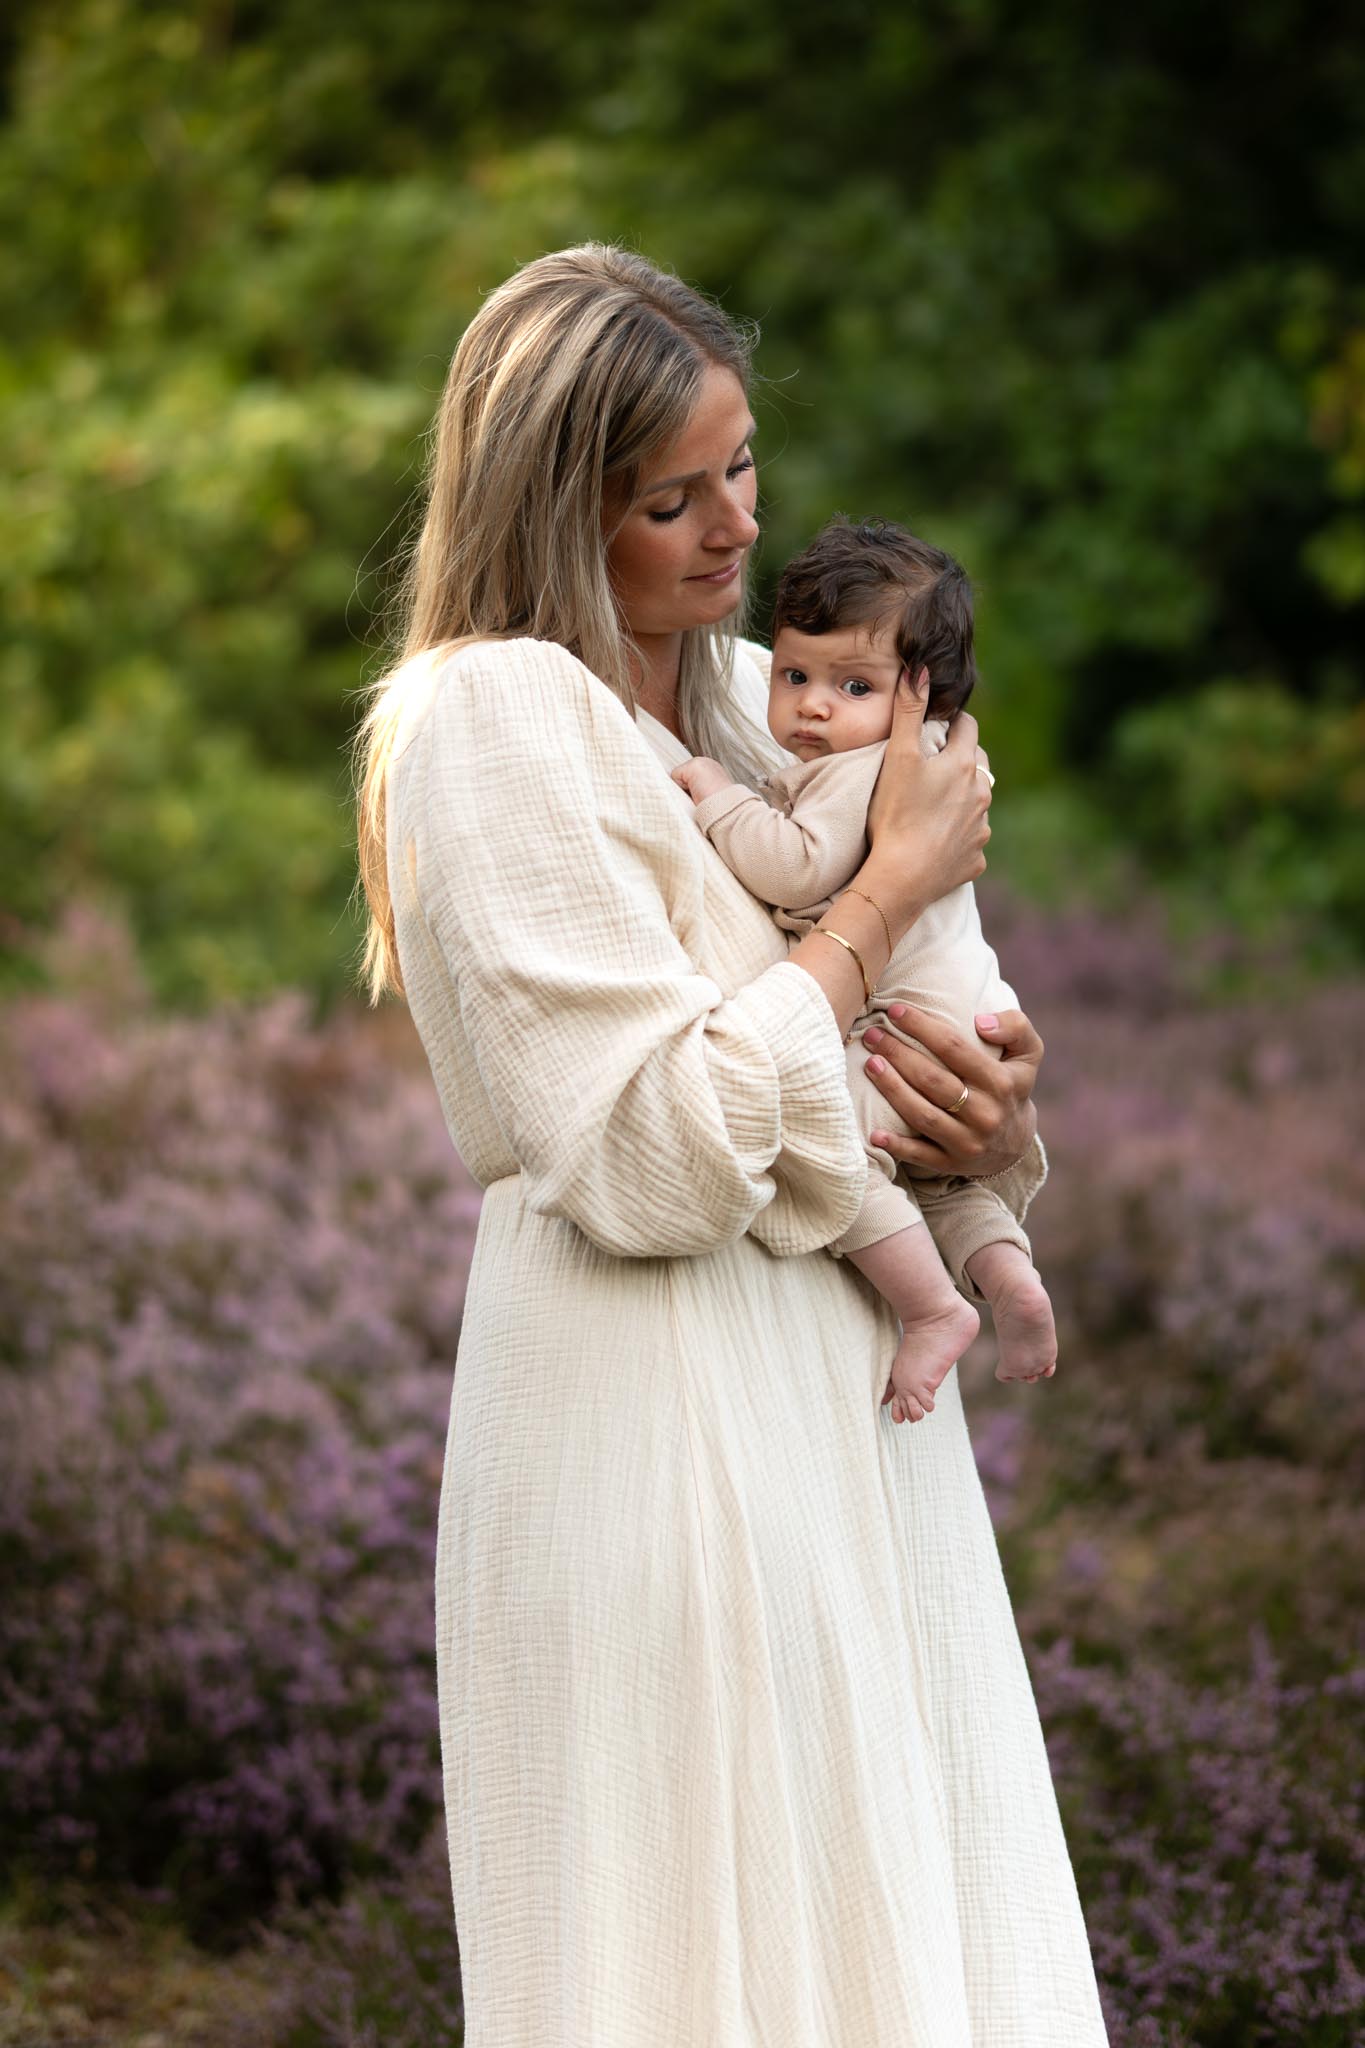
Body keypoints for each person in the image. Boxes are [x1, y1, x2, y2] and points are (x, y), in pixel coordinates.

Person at [353, 243, 1108, 2045]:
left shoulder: (764, 693)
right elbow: (656, 1158)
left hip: (848, 1424)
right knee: (697, 1968)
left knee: (893, 1956)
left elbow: (894, 1020)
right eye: (667, 498)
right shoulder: (488, 718)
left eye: (742, 467)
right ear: (553, 502)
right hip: (649, 1415)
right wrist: (879, 905)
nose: (731, 529)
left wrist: (986, 1118)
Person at [671, 515, 1059, 1426]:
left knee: (825, 1142)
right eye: (794, 676)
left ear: (921, 699)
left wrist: (717, 795)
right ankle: (1010, 1279)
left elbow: (795, 866)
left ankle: (930, 1307)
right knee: (935, 1179)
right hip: (964, 1013)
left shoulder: (866, 772)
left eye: (853, 685)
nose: (812, 706)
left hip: (901, 1017)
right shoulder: (919, 762)